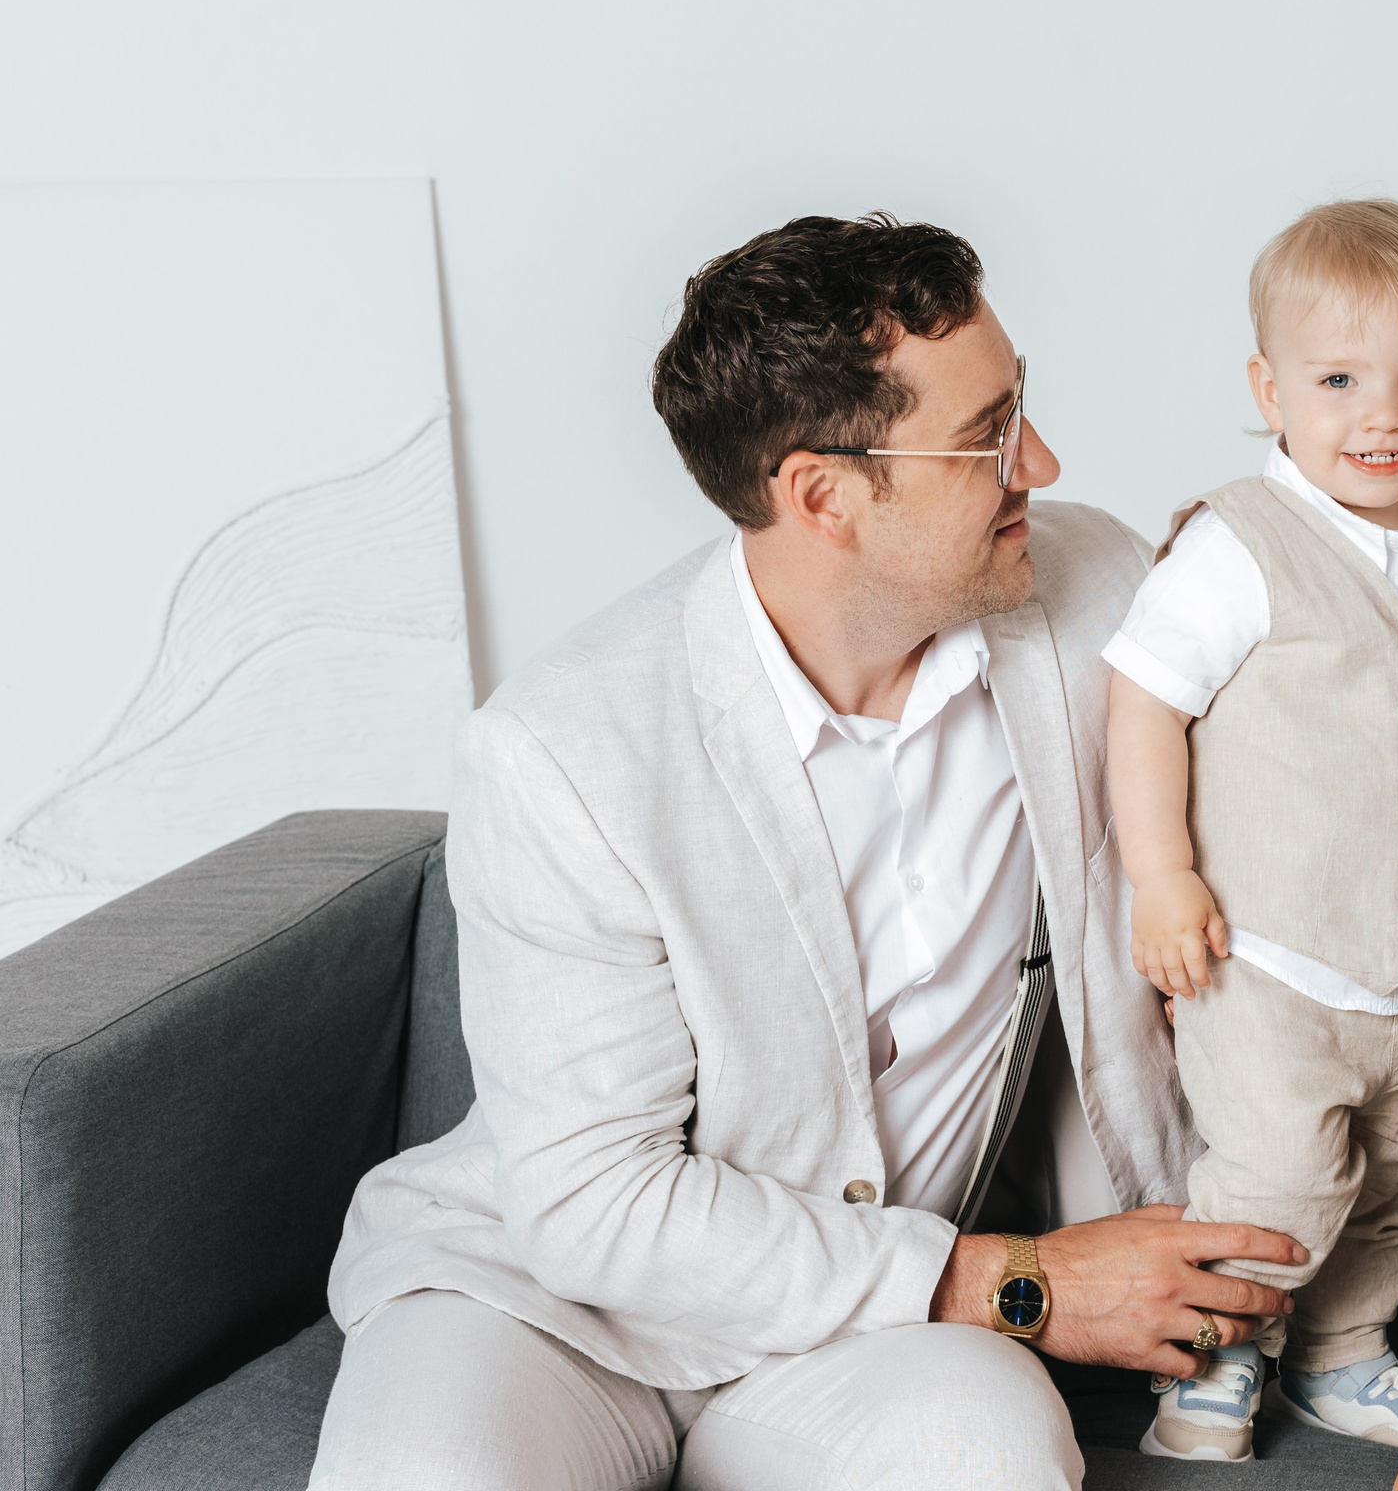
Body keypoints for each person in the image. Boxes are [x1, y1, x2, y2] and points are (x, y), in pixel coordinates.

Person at [309, 213, 1315, 1491]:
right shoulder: (562, 748)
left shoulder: (1094, 601)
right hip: (545, 1310)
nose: (1041, 463)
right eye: (988, 435)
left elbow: (1323, 755)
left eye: (1024, 410)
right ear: (823, 496)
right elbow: (594, 1205)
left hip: (870, 1338)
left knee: (986, 1457)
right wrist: (1021, 1283)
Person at [1102, 200, 1398, 1460]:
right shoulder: (1240, 546)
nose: (1381, 416)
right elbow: (1143, 705)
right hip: (1267, 953)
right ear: (1269, 389)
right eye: (1338, 381)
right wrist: (1162, 877)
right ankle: (1218, 1361)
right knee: (1280, 1171)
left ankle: (1338, 1350)